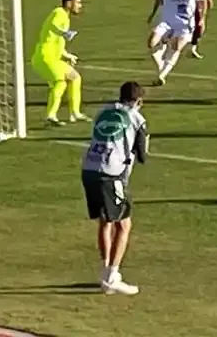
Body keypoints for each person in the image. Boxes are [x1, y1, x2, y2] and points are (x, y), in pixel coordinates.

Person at [81, 81, 148, 296]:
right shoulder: (136, 118)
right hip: (111, 174)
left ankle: (106, 272)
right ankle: (111, 277)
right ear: (139, 101)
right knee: (124, 224)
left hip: (89, 169)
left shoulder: (103, 111)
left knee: (106, 221)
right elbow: (142, 156)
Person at [145, 0, 208, 86]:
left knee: (176, 47)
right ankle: (161, 55)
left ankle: (162, 75)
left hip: (185, 24)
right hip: (167, 20)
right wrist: (153, 13)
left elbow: (202, 1)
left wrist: (202, 18)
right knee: (151, 42)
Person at [32, 0, 86, 126]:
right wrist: (64, 33)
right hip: (45, 58)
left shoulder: (65, 18)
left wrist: (67, 55)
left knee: (73, 78)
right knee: (62, 81)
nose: (80, 6)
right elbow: (53, 26)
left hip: (52, 58)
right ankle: (54, 115)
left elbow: (56, 41)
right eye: (77, 2)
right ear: (69, 3)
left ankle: (73, 113)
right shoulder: (59, 12)